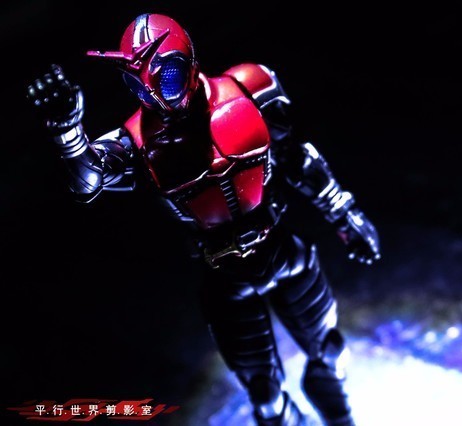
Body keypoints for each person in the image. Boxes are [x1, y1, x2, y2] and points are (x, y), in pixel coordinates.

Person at [26, 13, 380, 426]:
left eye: (166, 76)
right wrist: (69, 133)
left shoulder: (251, 87)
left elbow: (297, 157)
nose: (158, 96)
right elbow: (89, 180)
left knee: (332, 353)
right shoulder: (137, 141)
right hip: (226, 278)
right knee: (265, 395)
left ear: (188, 61)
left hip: (283, 250)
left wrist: (344, 212)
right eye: (139, 84)